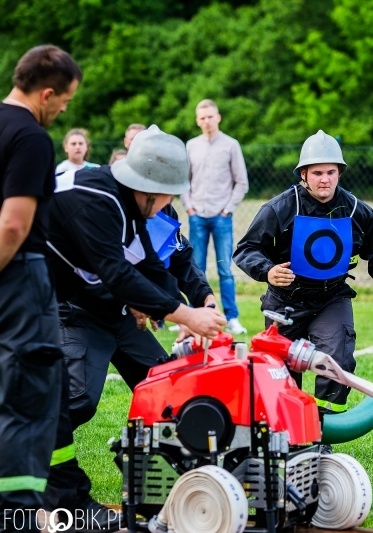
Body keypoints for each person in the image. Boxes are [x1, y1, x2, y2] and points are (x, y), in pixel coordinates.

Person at [44, 125, 226, 529]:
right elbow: (116, 275)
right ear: (148, 188)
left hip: (115, 315)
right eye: (167, 195)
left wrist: (195, 305)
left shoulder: (132, 208)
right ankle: (55, 493)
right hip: (72, 312)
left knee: (168, 391)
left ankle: (156, 488)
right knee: (73, 402)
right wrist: (185, 316)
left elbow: (150, 267)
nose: (169, 203)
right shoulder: (94, 198)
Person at [233, 129, 373, 424]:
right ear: (303, 175)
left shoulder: (355, 210)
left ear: (340, 173)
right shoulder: (279, 208)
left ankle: (325, 427)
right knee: (280, 369)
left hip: (331, 298)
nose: (324, 179)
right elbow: (247, 249)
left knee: (336, 360)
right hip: (284, 300)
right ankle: (286, 431)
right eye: (317, 173)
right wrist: (268, 272)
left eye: (330, 172)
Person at [0, 44, 81, 533]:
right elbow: (12, 226)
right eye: (64, 101)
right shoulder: (30, 137)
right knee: (28, 394)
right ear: (46, 92)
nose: (63, 110)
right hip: (18, 274)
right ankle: (17, 515)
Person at [181, 99, 249, 334]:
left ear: (218, 117)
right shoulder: (191, 146)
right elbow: (184, 180)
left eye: (210, 116)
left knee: (225, 269)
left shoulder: (231, 145)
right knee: (194, 268)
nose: (207, 121)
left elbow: (241, 182)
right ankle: (194, 315)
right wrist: (189, 207)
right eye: (202, 117)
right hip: (197, 215)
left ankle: (231, 317)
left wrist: (227, 209)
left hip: (222, 216)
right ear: (197, 120)